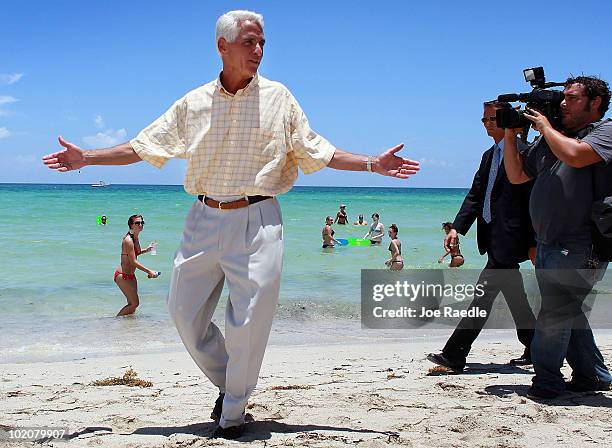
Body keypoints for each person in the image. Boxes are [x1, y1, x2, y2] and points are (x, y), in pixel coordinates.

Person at [42, 10, 420, 439]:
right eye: (249, 43)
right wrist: (86, 157)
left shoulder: (280, 98)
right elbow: (143, 146)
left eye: (263, 43)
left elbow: (319, 150)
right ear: (222, 46)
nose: (258, 51)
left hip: (259, 219)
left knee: (250, 320)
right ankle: (231, 384)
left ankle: (234, 412)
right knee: (183, 312)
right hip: (202, 218)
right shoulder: (194, 103)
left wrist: (373, 164)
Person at [503, 76, 612, 399]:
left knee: (554, 313)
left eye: (572, 98)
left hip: (582, 244)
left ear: (594, 103)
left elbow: (578, 156)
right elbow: (517, 174)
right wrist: (511, 134)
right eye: (562, 97)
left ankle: (547, 382)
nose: (563, 103)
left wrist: (545, 128)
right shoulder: (554, 138)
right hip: (550, 242)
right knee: (567, 311)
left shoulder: (604, 132)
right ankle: (593, 375)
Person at [427, 100, 537, 373]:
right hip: (492, 237)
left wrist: (534, 242)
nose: (486, 124)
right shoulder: (489, 155)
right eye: (483, 120)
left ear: (507, 120)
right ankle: (536, 346)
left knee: (482, 297)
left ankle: (455, 354)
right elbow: (476, 196)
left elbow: (533, 203)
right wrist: (456, 227)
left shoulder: (525, 153)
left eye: (491, 119)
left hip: (512, 239)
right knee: (515, 296)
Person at [114, 215, 158, 316]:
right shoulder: (128, 240)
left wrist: (146, 250)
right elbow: (133, 261)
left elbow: (134, 253)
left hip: (131, 275)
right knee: (135, 304)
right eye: (137, 223)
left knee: (132, 306)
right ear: (131, 225)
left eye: (142, 222)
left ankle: (128, 328)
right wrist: (149, 271)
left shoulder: (135, 238)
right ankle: (115, 322)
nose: (140, 225)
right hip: (122, 275)